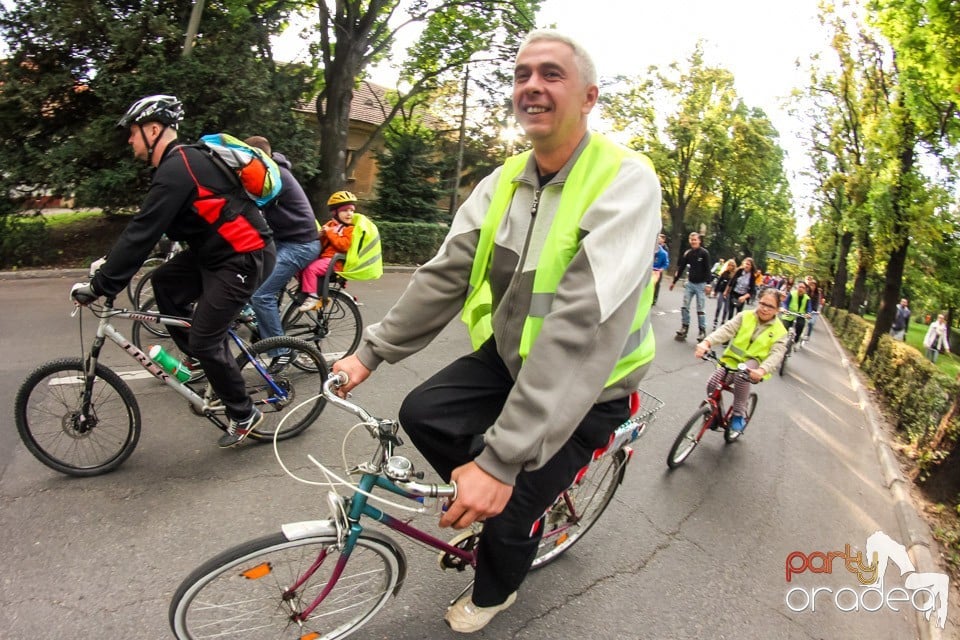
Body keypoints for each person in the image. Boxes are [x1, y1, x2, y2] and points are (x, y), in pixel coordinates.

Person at [331, 30, 660, 633]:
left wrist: (502, 464)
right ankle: (501, 496)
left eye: (551, 74)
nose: (531, 85)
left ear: (588, 97)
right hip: (511, 360)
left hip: (591, 387)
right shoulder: (502, 181)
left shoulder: (625, 180)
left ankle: (497, 587)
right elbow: (444, 275)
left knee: (510, 511)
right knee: (423, 411)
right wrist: (369, 354)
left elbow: (580, 327)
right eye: (522, 74)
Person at [70, 95, 276, 447]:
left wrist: (102, 284)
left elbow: (142, 231)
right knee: (164, 283)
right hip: (214, 254)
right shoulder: (179, 166)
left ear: (153, 129)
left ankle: (244, 413)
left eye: (133, 133)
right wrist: (109, 263)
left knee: (206, 337)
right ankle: (202, 360)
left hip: (244, 255)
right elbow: (149, 228)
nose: (130, 141)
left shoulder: (180, 166)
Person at [243, 136, 321, 370]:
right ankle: (265, 325)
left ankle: (283, 351)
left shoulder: (274, 175)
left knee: (260, 295)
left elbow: (249, 205)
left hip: (301, 245)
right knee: (245, 270)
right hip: (283, 240)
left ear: (258, 158)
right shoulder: (269, 173)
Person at [694, 288, 789, 433]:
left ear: (777, 310)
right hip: (731, 360)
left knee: (741, 376)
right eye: (762, 303)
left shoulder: (780, 331)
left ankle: (738, 414)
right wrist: (706, 343)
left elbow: (777, 354)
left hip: (754, 365)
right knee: (712, 384)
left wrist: (761, 370)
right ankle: (715, 412)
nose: (764, 309)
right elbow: (726, 330)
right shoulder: (745, 316)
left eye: (770, 306)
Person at [295, 191, 356, 312]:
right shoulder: (331, 224)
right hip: (324, 259)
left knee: (311, 269)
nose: (349, 214)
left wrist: (330, 233)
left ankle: (312, 297)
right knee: (299, 265)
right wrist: (321, 235)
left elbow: (343, 246)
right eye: (345, 210)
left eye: (352, 210)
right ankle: (308, 290)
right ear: (335, 212)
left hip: (335, 262)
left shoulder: (350, 229)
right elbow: (322, 244)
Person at [670, 232, 711, 341]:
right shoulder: (688, 253)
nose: (693, 242)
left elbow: (708, 269)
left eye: (695, 240)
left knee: (700, 308)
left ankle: (702, 331)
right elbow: (682, 267)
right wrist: (674, 281)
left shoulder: (704, 253)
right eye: (691, 240)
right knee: (685, 306)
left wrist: (708, 284)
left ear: (699, 241)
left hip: (701, 284)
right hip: (690, 284)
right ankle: (684, 327)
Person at [723, 256, 757, 322]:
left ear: (751, 266)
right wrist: (726, 291)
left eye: (748, 264)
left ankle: (735, 327)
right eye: (746, 263)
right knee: (730, 313)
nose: (746, 266)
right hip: (734, 293)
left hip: (742, 296)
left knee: (738, 314)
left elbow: (751, 291)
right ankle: (729, 326)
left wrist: (744, 297)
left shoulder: (752, 276)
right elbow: (731, 281)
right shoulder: (739, 271)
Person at [711, 259, 737, 329]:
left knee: (726, 309)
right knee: (719, 306)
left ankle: (723, 321)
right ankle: (715, 320)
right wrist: (715, 291)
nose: (730, 267)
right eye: (729, 265)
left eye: (732, 265)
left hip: (729, 294)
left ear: (734, 266)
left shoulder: (734, 275)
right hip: (722, 292)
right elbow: (719, 282)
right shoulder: (724, 273)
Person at [652, 232, 669, 305]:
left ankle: (654, 298)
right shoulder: (651, 249)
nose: (659, 241)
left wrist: (661, 269)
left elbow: (666, 262)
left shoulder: (664, 252)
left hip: (657, 270)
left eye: (660, 239)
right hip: (650, 270)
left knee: (656, 284)